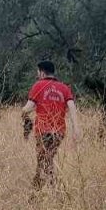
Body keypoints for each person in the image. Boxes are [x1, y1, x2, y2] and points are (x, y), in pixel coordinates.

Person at [22, 60, 81, 190]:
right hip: (59, 132)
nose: (37, 75)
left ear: (42, 72)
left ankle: (44, 190)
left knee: (43, 160)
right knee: (47, 159)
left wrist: (24, 114)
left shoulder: (38, 86)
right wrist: (76, 128)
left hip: (43, 131)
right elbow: (72, 107)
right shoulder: (64, 88)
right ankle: (49, 190)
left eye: (38, 72)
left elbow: (28, 108)